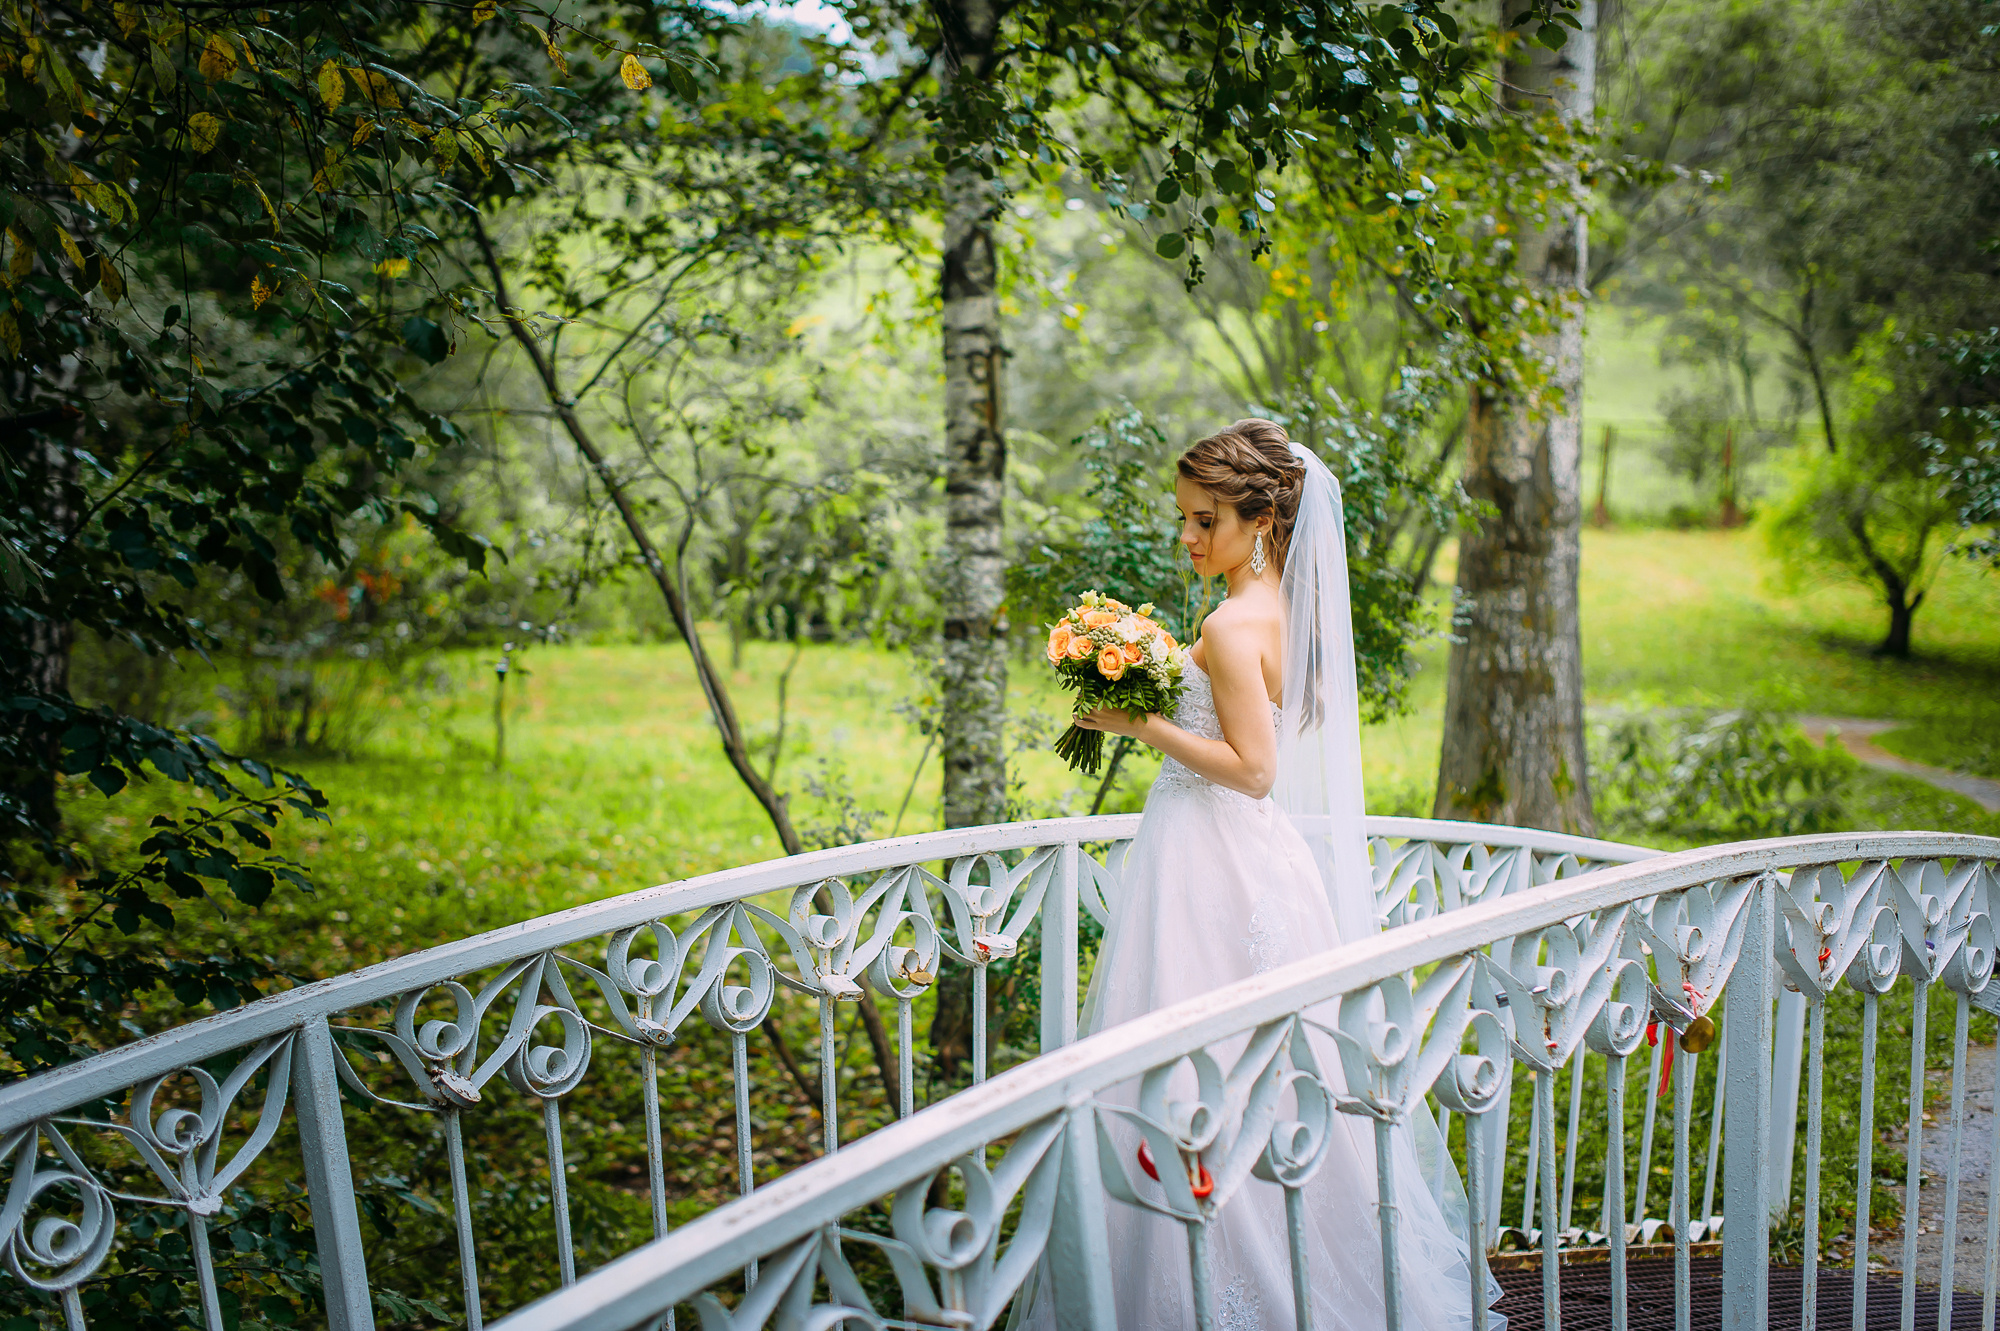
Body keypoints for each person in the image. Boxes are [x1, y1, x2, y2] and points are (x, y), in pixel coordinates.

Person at [1020, 419, 1499, 1331]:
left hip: (1209, 855)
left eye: (1206, 521)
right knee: (1272, 1066)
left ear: (1263, 515)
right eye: (1185, 520)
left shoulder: (1229, 624)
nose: (1189, 539)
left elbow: (1253, 767)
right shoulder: (1282, 605)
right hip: (1254, 856)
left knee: (1190, 1061)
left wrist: (1135, 723)